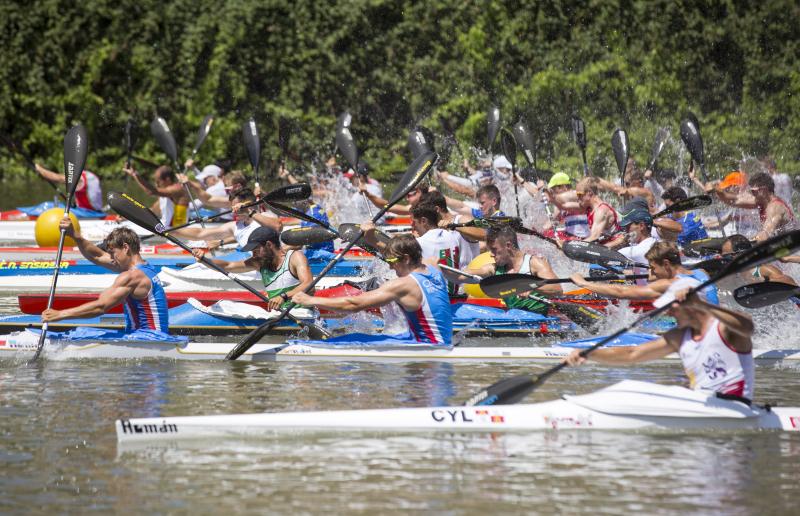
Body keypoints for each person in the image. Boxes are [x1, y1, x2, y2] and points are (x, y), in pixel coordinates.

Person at [565, 277, 755, 402]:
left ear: (692, 306)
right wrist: (589, 354)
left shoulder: (724, 328)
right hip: (701, 404)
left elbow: (747, 327)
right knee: (632, 388)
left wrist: (702, 304)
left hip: (736, 408)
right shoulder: (679, 336)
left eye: (672, 307)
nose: (669, 312)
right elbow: (632, 354)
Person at [292, 235, 453, 346]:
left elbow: (354, 304)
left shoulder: (404, 285)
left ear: (406, 258)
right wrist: (371, 236)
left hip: (427, 348)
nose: (389, 266)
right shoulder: (433, 267)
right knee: (357, 337)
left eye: (391, 261)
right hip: (442, 341)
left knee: (350, 341)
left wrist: (310, 300)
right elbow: (430, 259)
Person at [41, 220, 169, 333]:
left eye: (113, 253)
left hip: (148, 339)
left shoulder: (132, 276)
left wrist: (59, 314)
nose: (112, 259)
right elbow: (97, 256)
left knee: (82, 333)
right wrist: (75, 235)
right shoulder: (146, 268)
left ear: (125, 248)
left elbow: (101, 306)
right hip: (149, 337)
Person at [442, 226, 561, 316]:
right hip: (513, 316)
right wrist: (440, 268)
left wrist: (531, 287)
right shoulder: (493, 268)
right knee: (458, 309)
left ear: (508, 246)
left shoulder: (535, 264)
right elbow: (459, 277)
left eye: (494, 250)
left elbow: (557, 290)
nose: (491, 255)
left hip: (537, 317)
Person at [193, 226, 312, 310]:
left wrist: (283, 296)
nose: (253, 255)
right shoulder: (259, 262)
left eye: (256, 250)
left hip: (302, 312)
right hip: (279, 315)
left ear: (269, 245)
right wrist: (205, 260)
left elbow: (309, 285)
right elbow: (228, 266)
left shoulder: (295, 257)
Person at [569, 241, 720, 305]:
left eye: (653, 268)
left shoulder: (670, 284)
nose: (652, 273)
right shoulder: (701, 273)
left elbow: (620, 292)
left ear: (666, 264)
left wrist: (584, 283)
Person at [170, 188, 282, 251]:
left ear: (248, 204)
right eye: (232, 207)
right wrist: (170, 232)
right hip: (255, 266)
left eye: (236, 206)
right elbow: (200, 233)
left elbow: (277, 226)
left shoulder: (267, 216)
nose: (233, 211)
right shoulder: (235, 226)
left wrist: (249, 212)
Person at [716, 172, 796, 241]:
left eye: (753, 191)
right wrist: (715, 190)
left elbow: (765, 234)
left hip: (792, 248)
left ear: (763, 190)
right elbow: (732, 200)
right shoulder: (761, 201)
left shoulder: (775, 208)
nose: (751, 194)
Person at [125, 164, 190, 227]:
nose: (156, 185)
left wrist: (135, 175)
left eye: (158, 181)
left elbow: (151, 191)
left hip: (179, 230)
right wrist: (129, 215)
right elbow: (153, 210)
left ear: (167, 179)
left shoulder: (177, 189)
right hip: (167, 229)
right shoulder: (165, 195)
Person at [34, 163, 103, 212]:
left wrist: (40, 169)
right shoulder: (90, 175)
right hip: (94, 211)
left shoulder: (79, 177)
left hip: (88, 213)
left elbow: (57, 178)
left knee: (48, 206)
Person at [574, 178, 619, 244]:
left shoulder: (601, 211)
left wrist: (572, 244)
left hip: (612, 249)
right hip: (599, 246)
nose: (577, 198)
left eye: (579, 194)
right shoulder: (589, 209)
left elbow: (593, 237)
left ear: (589, 193)